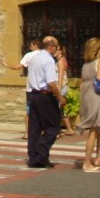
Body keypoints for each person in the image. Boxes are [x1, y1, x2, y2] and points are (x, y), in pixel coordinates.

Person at [25, 36, 64, 168]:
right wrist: (59, 97)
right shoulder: (48, 60)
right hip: (44, 95)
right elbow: (51, 82)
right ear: (51, 47)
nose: (57, 50)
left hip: (33, 94)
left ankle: (34, 158)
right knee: (53, 127)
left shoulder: (34, 58)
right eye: (56, 47)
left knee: (35, 128)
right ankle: (41, 151)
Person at [78, 37, 100, 173]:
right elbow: (99, 78)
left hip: (87, 95)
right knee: (94, 129)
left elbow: (82, 83)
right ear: (96, 49)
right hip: (96, 95)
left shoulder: (86, 65)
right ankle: (87, 163)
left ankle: (97, 158)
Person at [5, 38, 41, 139]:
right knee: (42, 111)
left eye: (31, 45)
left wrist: (7, 65)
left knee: (29, 111)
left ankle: (27, 133)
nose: (30, 47)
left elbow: (17, 67)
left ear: (35, 45)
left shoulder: (29, 55)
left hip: (31, 89)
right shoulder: (45, 55)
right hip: (43, 89)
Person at [55, 44, 75, 136]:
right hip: (62, 87)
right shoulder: (60, 60)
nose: (55, 51)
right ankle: (69, 129)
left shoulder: (61, 61)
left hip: (62, 87)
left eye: (57, 49)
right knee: (60, 109)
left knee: (57, 109)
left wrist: (58, 89)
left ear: (61, 51)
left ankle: (57, 130)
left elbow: (61, 75)